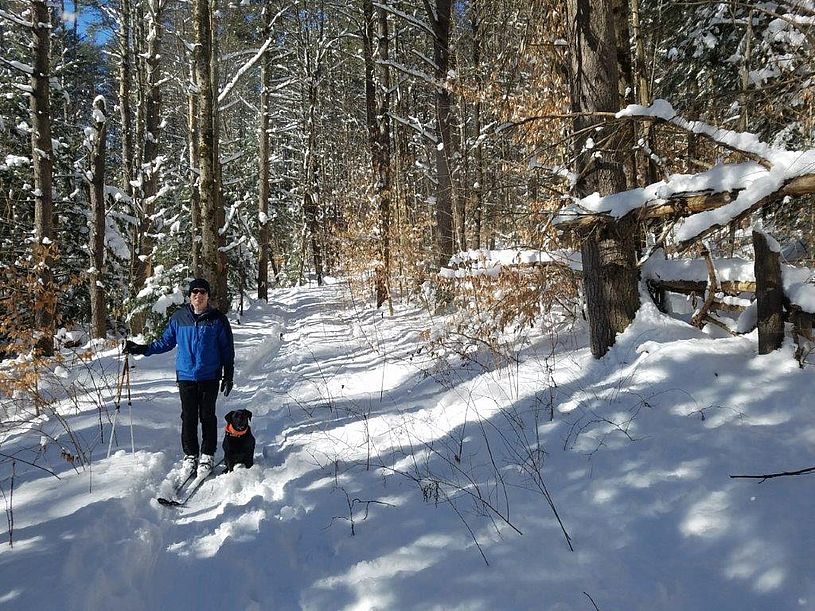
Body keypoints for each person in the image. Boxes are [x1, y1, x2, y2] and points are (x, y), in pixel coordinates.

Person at [124, 278, 235, 479]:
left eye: (202, 292)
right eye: (194, 292)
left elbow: (227, 349)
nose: (198, 296)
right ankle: (191, 455)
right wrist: (142, 349)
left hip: (210, 376)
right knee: (188, 416)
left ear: (208, 296)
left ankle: (207, 455)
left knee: (207, 416)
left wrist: (229, 374)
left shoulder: (217, 319)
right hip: (186, 376)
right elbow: (165, 342)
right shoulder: (179, 318)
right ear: (190, 296)